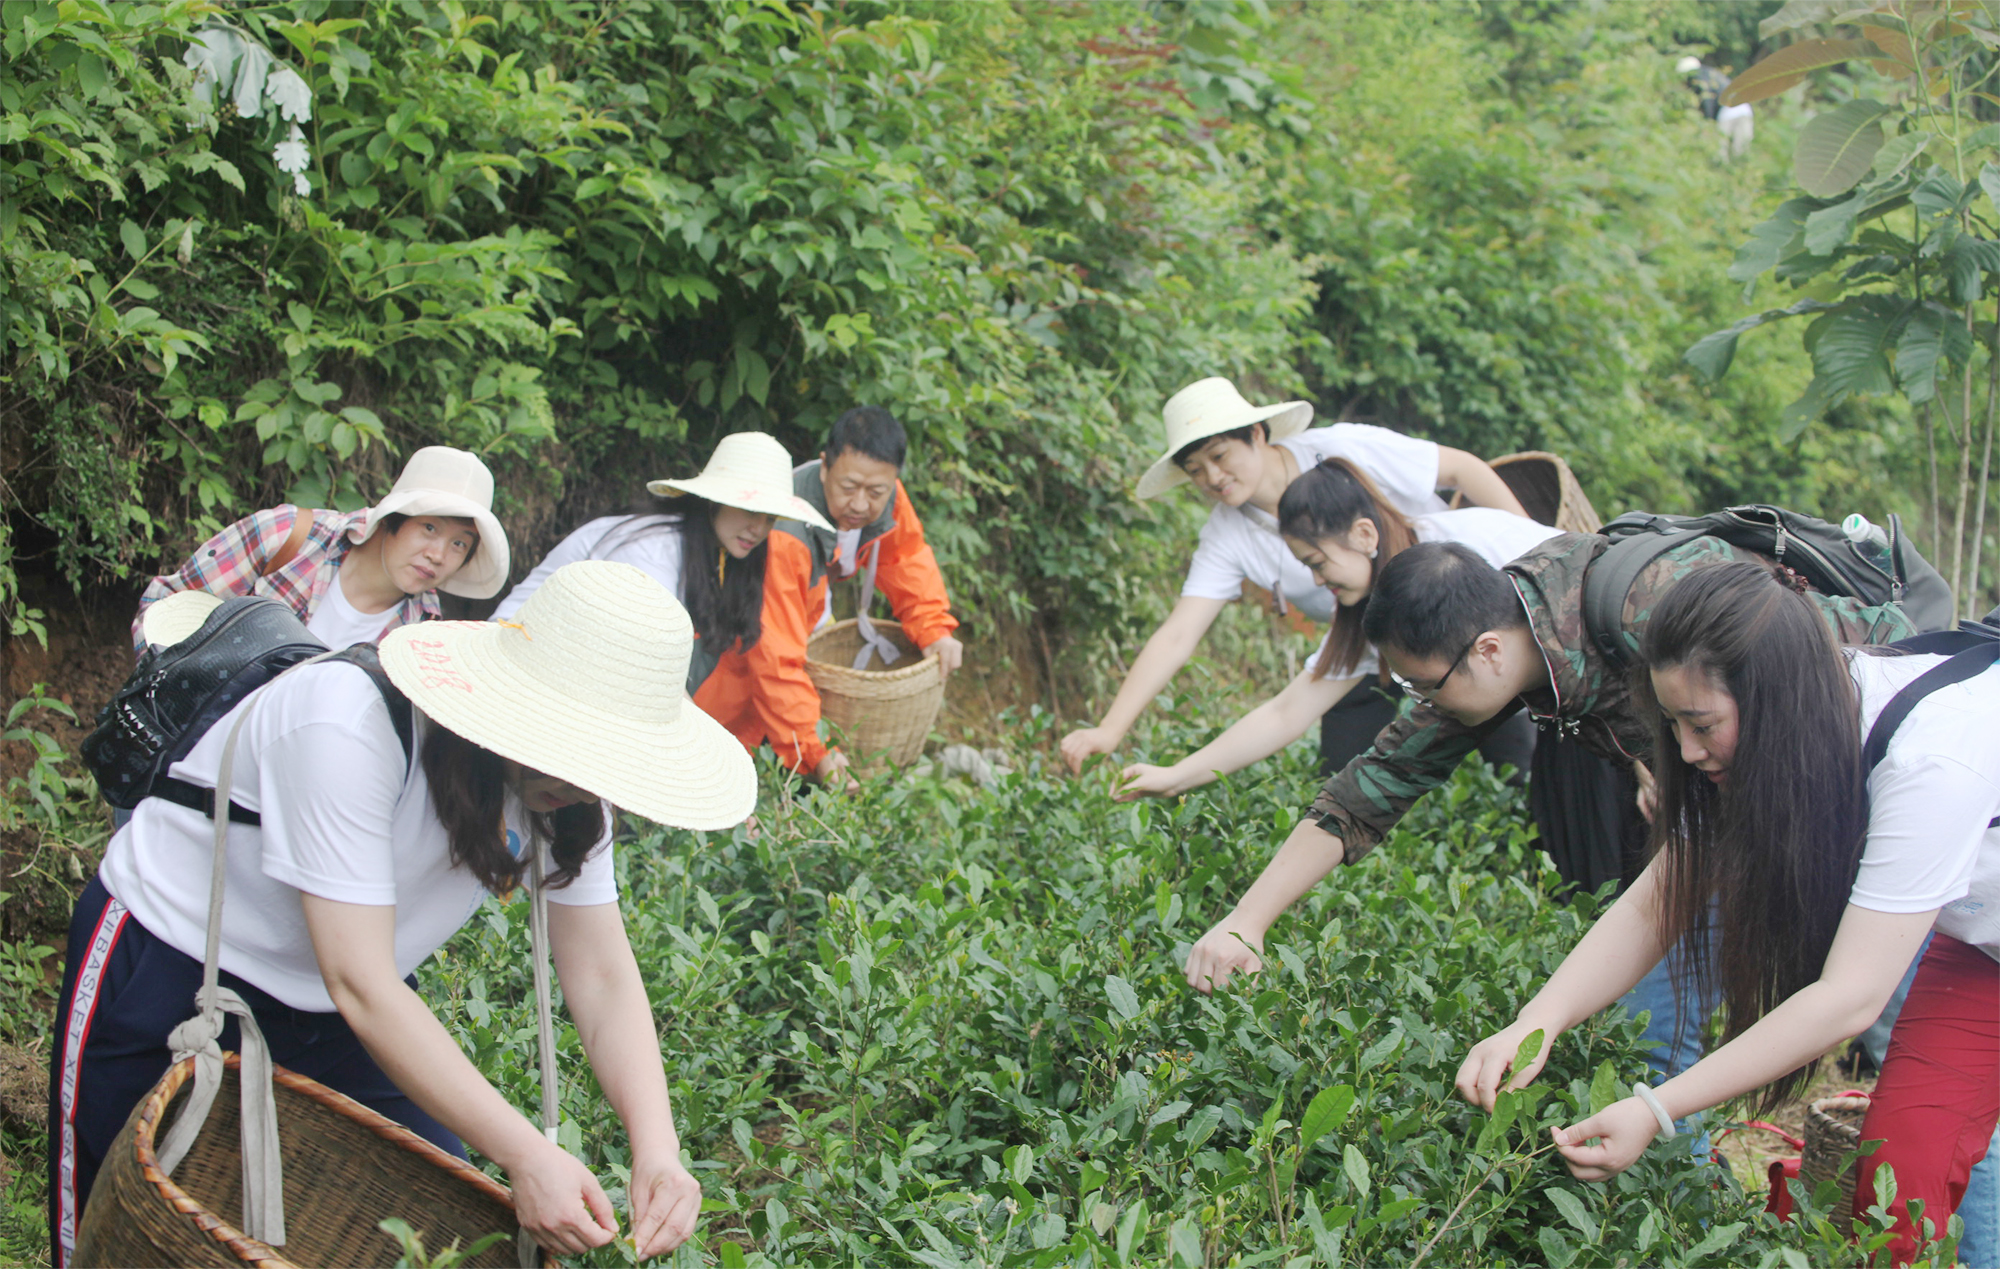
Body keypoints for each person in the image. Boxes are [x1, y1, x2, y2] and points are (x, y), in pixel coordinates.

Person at [51, 562, 752, 1265]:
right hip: (170, 964)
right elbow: (361, 979)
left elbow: (599, 970)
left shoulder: (566, 796)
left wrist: (657, 1148)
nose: (583, 779)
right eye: (574, 746)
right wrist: (527, 1153)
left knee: (434, 1234)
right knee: (125, 1226)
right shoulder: (347, 721)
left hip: (337, 1015)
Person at [1182, 534, 1917, 1081]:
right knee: (1657, 1028)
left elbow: (1809, 672)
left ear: (1488, 652)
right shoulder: (1490, 647)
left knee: (1905, 1024)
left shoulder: (1647, 602)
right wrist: (1248, 920)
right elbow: (1372, 788)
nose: (1422, 704)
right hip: (1738, 805)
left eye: (1425, 685)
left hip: (1872, 772)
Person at [1456, 563, 1998, 1265]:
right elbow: (1661, 895)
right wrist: (1534, 1022)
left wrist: (1656, 1108)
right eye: (1672, 722)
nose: (1684, 748)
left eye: (1702, 723)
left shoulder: (1931, 763)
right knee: (1898, 1178)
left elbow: (1849, 997)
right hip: (1983, 952)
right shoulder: (1798, 727)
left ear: (1771, 699)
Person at [1058, 377, 1530, 779]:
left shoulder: (1342, 451)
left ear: (1258, 435)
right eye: (1196, 471)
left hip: (1452, 620)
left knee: (1509, 751)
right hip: (1358, 639)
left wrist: (1535, 555)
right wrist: (1110, 728)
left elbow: (1462, 469)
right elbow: (1180, 633)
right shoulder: (1227, 533)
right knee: (1344, 774)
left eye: (1221, 456)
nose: (1214, 477)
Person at [1114, 458, 1558, 801]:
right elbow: (1286, 712)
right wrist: (1175, 777)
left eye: (1318, 563)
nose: (1318, 581)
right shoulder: (1378, 611)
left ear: (1365, 535)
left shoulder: (1472, 546)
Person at [692, 406, 959, 787]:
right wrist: (817, 751)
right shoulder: (784, 533)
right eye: (848, 488)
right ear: (824, 467)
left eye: (876, 492)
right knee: (722, 746)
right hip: (733, 648)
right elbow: (775, 657)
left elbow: (906, 558)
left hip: (808, 619)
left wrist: (935, 628)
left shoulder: (887, 497)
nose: (862, 504)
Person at [493, 432, 832, 695]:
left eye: (770, 517)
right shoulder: (653, 553)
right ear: (714, 500)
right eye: (750, 510)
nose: (759, 528)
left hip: (578, 667)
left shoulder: (719, 552)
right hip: (512, 660)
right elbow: (639, 663)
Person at [131, 445, 509, 655]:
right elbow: (165, 607)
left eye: (459, 543)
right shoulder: (289, 538)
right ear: (394, 519)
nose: (439, 555)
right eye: (429, 527)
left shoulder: (420, 633)